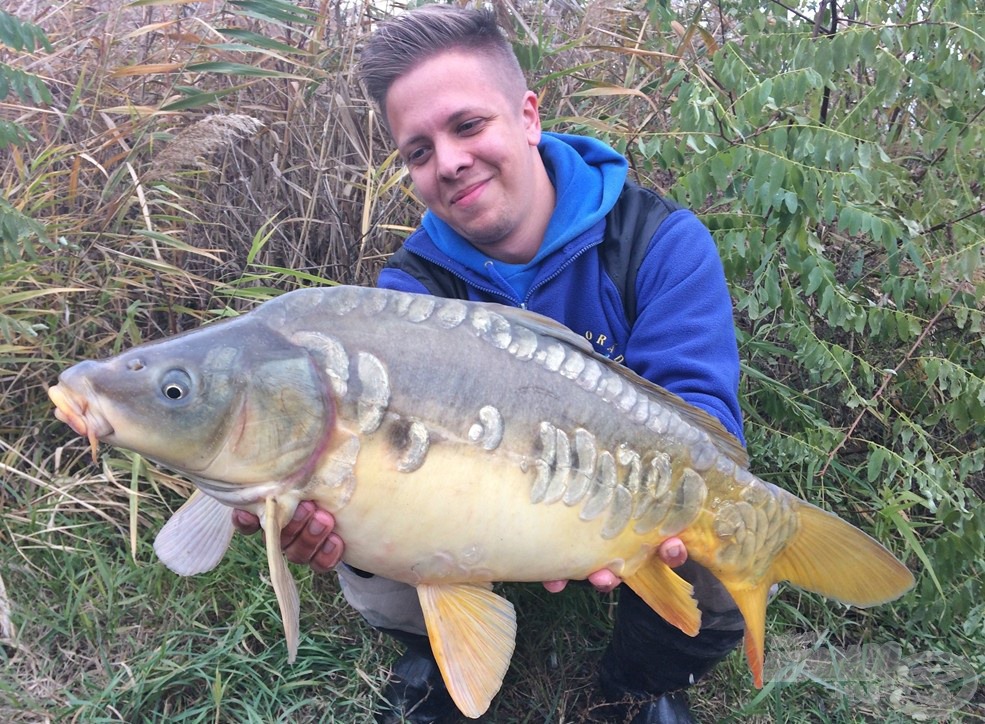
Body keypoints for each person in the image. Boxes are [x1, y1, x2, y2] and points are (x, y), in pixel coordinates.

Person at [233, 5, 746, 723]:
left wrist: (618, 521)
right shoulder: (408, 293)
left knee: (718, 535)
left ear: (528, 115)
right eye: (417, 151)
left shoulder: (657, 242)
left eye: (467, 126)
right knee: (355, 530)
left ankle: (638, 684)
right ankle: (434, 650)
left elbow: (706, 417)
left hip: (612, 507)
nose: (447, 162)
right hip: (469, 514)